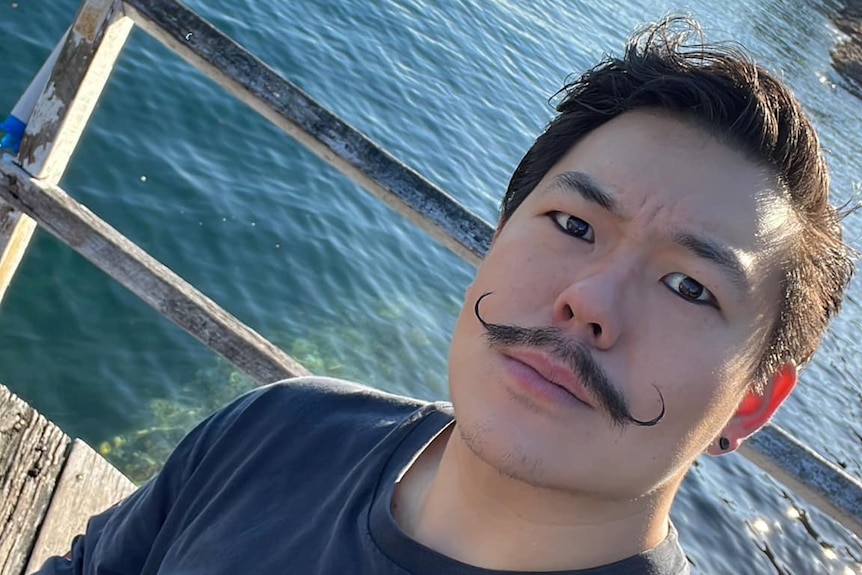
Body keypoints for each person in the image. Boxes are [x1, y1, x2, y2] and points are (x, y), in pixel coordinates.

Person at [36, 15, 853, 575]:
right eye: (572, 224)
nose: (590, 298)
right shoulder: (276, 429)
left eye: (688, 285)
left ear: (754, 401)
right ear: (498, 235)